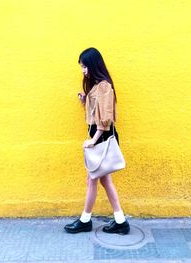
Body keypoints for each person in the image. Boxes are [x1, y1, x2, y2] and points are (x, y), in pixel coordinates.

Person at [64, 47, 130, 235]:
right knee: (103, 180)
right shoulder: (97, 86)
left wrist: (93, 140)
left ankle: (85, 220)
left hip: (102, 137)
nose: (83, 70)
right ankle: (120, 220)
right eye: (82, 67)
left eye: (85, 66)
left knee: (92, 179)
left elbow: (106, 118)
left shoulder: (104, 86)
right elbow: (97, 112)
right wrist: (86, 101)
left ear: (93, 65)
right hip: (99, 136)